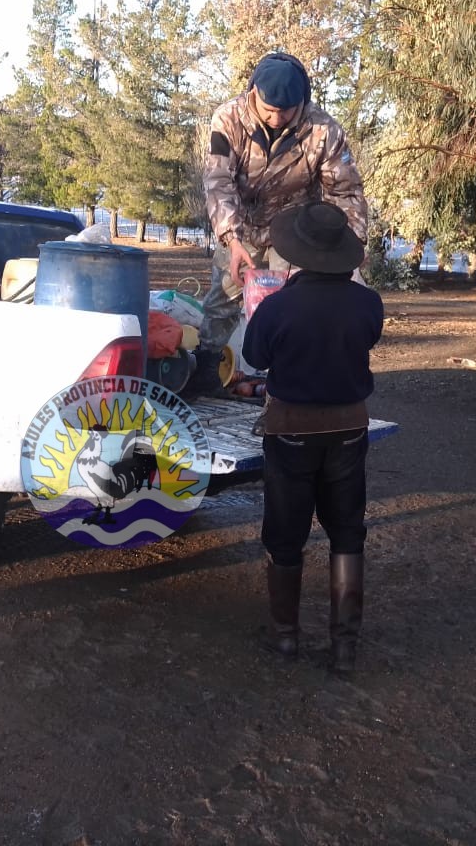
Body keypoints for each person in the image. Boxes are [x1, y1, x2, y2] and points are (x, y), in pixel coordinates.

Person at [242, 201, 384, 675]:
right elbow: (367, 339)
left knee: (286, 535)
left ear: (296, 253)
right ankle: (345, 645)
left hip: (291, 433)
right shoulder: (368, 303)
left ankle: (286, 637)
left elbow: (254, 357)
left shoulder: (278, 305)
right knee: (347, 532)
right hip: (348, 429)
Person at [189, 51, 370, 393]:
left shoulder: (324, 130)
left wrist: (353, 243)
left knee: (296, 307)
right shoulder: (227, 120)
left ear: (301, 102)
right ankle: (207, 366)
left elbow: (344, 191)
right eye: (268, 109)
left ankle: (287, 385)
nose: (275, 118)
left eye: (285, 111)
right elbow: (218, 181)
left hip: (295, 231)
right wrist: (231, 239)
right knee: (223, 298)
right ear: (254, 92)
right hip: (240, 227)